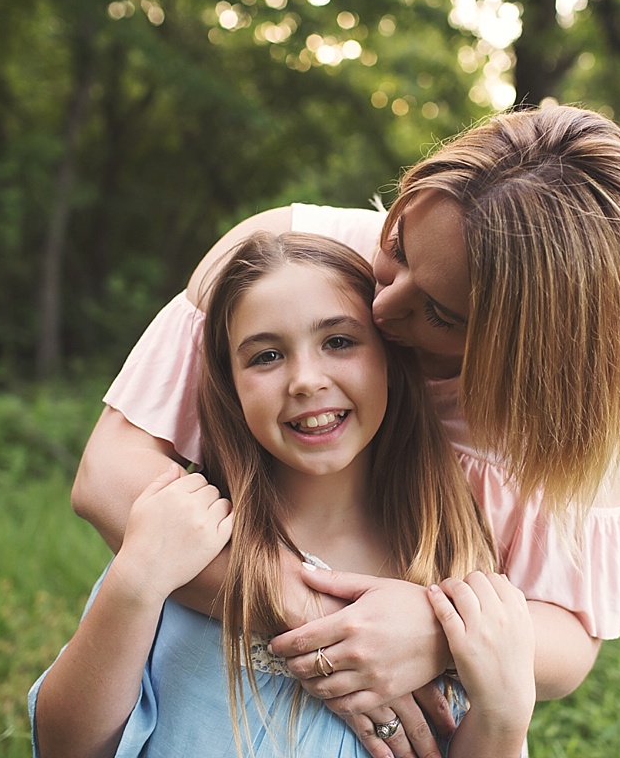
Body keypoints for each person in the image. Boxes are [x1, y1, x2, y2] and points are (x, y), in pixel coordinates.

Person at [70, 104, 620, 757]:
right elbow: (109, 478)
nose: (382, 305)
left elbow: (569, 639)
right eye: (398, 249)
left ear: (529, 347)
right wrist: (320, 625)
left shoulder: (572, 420)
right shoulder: (295, 263)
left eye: (439, 312)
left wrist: (433, 636)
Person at [30, 232, 536, 757]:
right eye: (266, 356)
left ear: (391, 359)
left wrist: (503, 713)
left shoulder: (449, 569)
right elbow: (64, 747)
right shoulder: (187, 541)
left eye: (339, 342)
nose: (305, 381)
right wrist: (136, 581)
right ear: (230, 383)